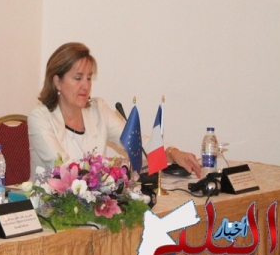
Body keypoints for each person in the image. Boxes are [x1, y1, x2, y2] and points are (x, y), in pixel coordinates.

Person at [28, 42, 202, 179]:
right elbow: (64, 169)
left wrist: (171, 153)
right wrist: (112, 166)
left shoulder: (98, 110)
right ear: (57, 82)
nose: (86, 85)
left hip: (95, 203)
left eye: (89, 78)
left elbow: (135, 143)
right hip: (51, 207)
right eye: (78, 78)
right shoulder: (40, 117)